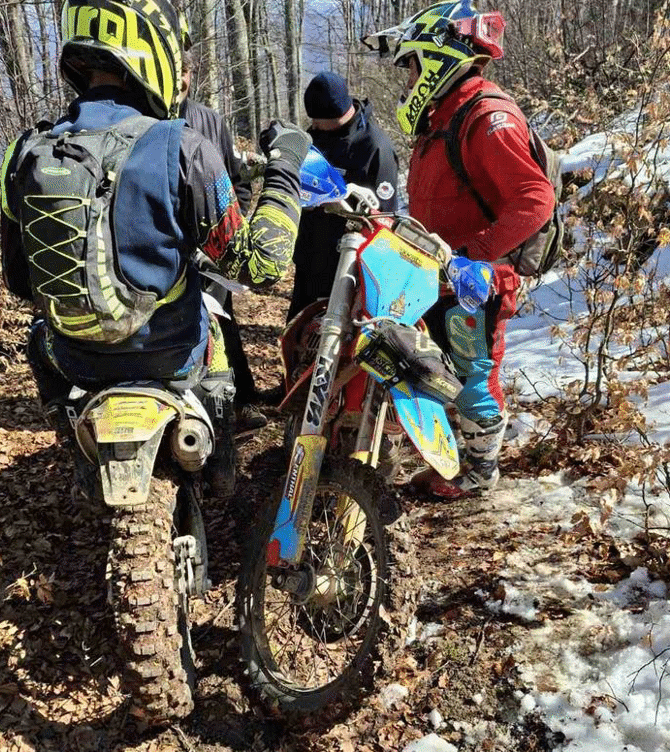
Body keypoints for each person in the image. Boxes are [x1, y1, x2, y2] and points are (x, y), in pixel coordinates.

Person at [0, 0, 310, 498]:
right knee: (217, 340)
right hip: (169, 351)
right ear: (153, 50)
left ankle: (77, 452)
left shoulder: (25, 152)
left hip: (74, 358)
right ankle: (221, 471)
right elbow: (262, 264)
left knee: (40, 337)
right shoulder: (183, 146)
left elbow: (18, 279)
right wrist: (285, 170)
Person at [364, 1, 555, 498]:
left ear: (436, 57)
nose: (407, 78)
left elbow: (535, 201)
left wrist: (477, 254)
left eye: (411, 65)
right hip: (439, 271)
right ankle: (453, 456)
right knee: (436, 365)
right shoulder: (445, 115)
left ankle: (479, 473)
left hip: (477, 279)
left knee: (473, 373)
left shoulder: (486, 117)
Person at [178, 49, 267, 433]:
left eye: (187, 71)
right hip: (171, 251)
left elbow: (237, 180)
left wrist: (233, 222)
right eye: (176, 70)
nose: (182, 79)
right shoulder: (144, 118)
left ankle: (242, 403)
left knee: (222, 322)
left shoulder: (210, 120)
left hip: (214, 247)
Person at [287, 71, 399, 322]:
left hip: (347, 268)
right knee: (298, 339)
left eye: (318, 120)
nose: (313, 125)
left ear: (336, 113)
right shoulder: (315, 137)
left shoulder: (375, 147)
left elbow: (384, 220)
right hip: (309, 259)